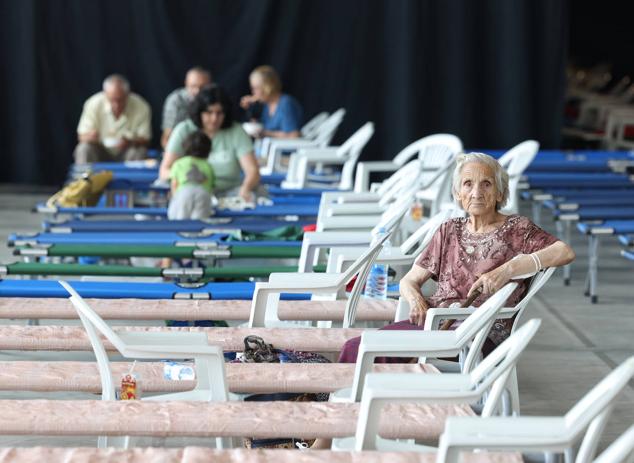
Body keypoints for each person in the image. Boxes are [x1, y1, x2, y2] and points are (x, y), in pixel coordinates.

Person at [339, 152, 576, 362]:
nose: (476, 193)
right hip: (435, 326)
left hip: (477, 333)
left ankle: (356, 406)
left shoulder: (517, 228)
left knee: (362, 352)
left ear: (499, 192)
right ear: (457, 193)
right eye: (468, 184)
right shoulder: (449, 230)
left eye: (486, 184)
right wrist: (416, 300)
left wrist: (510, 269)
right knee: (356, 348)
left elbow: (564, 251)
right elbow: (408, 281)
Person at [159, 85, 260, 201]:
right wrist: (182, 179)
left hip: (229, 192)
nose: (214, 118)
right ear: (199, 111)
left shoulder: (236, 131)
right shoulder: (183, 130)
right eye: (209, 112)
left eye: (219, 113)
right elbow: (164, 171)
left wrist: (245, 189)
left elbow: (252, 171)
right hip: (188, 192)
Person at [74, 74, 151, 164]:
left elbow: (146, 139)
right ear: (105, 94)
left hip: (127, 152)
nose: (116, 105)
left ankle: (134, 178)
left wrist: (130, 141)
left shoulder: (141, 105)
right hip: (99, 151)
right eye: (112, 100)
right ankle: (84, 177)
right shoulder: (93, 104)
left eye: (120, 100)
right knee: (83, 149)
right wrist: (90, 137)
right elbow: (81, 137)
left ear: (128, 95)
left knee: (139, 152)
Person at [240, 65, 303, 139]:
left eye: (256, 88)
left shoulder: (285, 103)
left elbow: (294, 135)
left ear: (268, 87)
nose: (253, 92)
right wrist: (250, 109)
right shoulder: (267, 105)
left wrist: (265, 133)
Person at [167, 131, 215, 220]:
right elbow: (211, 187)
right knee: (200, 221)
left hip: (184, 192)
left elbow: (174, 184)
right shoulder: (208, 165)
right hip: (203, 193)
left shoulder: (178, 163)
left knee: (181, 219)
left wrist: (175, 197)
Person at [161, 67, 212, 148]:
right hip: (182, 149)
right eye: (193, 86)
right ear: (186, 83)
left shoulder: (215, 100)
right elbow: (167, 138)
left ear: (209, 85)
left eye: (202, 87)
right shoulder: (176, 101)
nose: (197, 91)